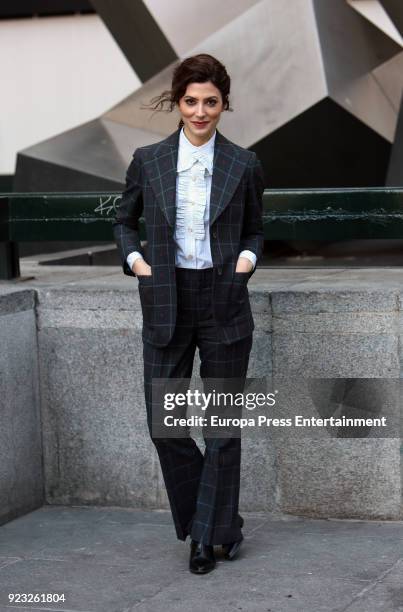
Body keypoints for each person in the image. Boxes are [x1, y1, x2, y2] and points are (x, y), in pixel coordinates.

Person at [112, 53, 264, 574]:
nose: (201, 112)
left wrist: (245, 262)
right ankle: (222, 522)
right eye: (191, 101)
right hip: (165, 298)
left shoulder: (244, 164)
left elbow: (255, 230)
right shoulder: (148, 159)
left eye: (211, 102)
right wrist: (139, 264)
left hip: (223, 299)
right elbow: (124, 222)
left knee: (222, 426)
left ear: (224, 104)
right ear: (177, 103)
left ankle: (204, 537)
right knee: (166, 425)